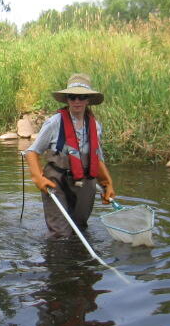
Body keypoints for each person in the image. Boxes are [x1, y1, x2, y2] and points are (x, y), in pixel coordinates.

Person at [25, 73, 115, 238]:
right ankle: (56, 262)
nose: (77, 101)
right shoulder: (54, 122)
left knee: (79, 228)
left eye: (81, 97)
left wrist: (107, 183)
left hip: (86, 182)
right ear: (67, 99)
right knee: (60, 234)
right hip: (56, 182)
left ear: (88, 100)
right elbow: (32, 152)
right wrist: (38, 178)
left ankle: (77, 262)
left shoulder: (95, 125)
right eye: (72, 97)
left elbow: (97, 157)